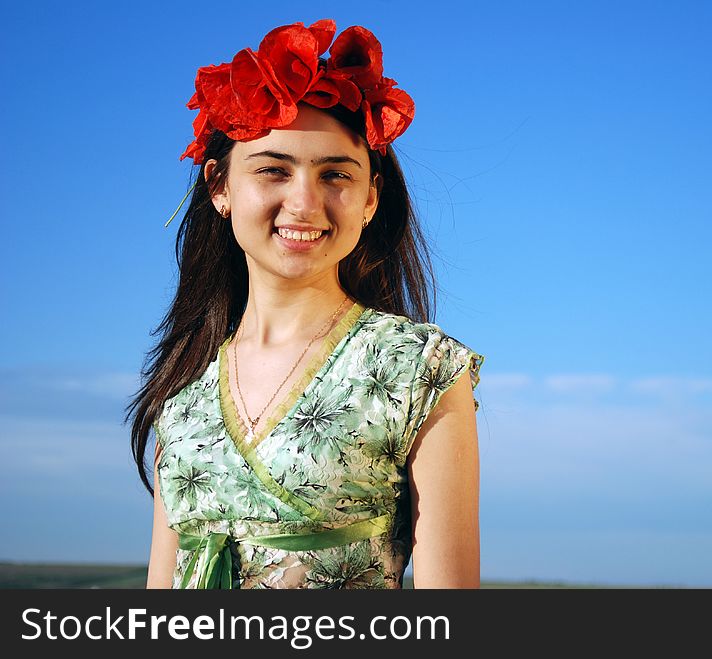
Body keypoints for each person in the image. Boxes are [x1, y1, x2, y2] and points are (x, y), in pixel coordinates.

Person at [125, 19, 485, 589]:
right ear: (219, 187)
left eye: (335, 174)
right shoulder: (184, 388)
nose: (304, 202)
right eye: (273, 169)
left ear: (370, 198)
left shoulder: (419, 371)